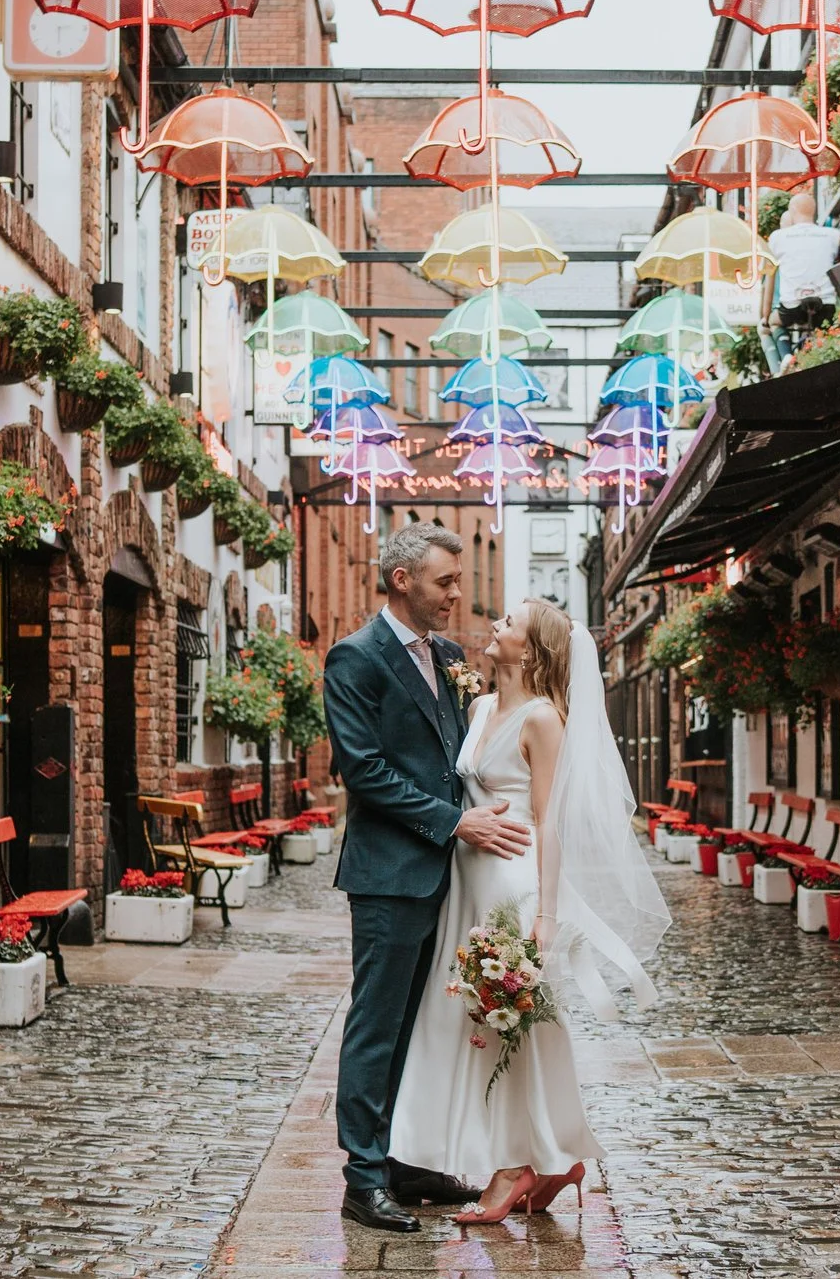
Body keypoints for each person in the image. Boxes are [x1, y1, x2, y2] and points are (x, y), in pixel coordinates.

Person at [389, 597, 673, 1222]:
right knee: (478, 1023)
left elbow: (550, 822)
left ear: (533, 649)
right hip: (467, 882)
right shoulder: (480, 706)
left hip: (512, 886)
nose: (496, 625)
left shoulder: (544, 719)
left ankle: (516, 1165)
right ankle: (551, 1156)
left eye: (510, 623)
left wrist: (545, 913)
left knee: (516, 1021)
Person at [324, 523, 533, 1233]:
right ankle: (363, 1178)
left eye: (458, 580)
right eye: (445, 581)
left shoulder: (447, 656)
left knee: (418, 1027)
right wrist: (455, 821)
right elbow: (365, 771)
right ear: (401, 579)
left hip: (451, 876)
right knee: (377, 1025)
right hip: (389, 876)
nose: (456, 594)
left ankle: (402, 1162)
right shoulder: (355, 658)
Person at [767, 190, 840, 345]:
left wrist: (764, 316)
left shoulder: (777, 237)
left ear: (792, 211)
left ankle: (786, 355)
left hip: (792, 305)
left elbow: (769, 276)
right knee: (825, 331)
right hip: (825, 304)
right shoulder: (834, 235)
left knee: (773, 322)